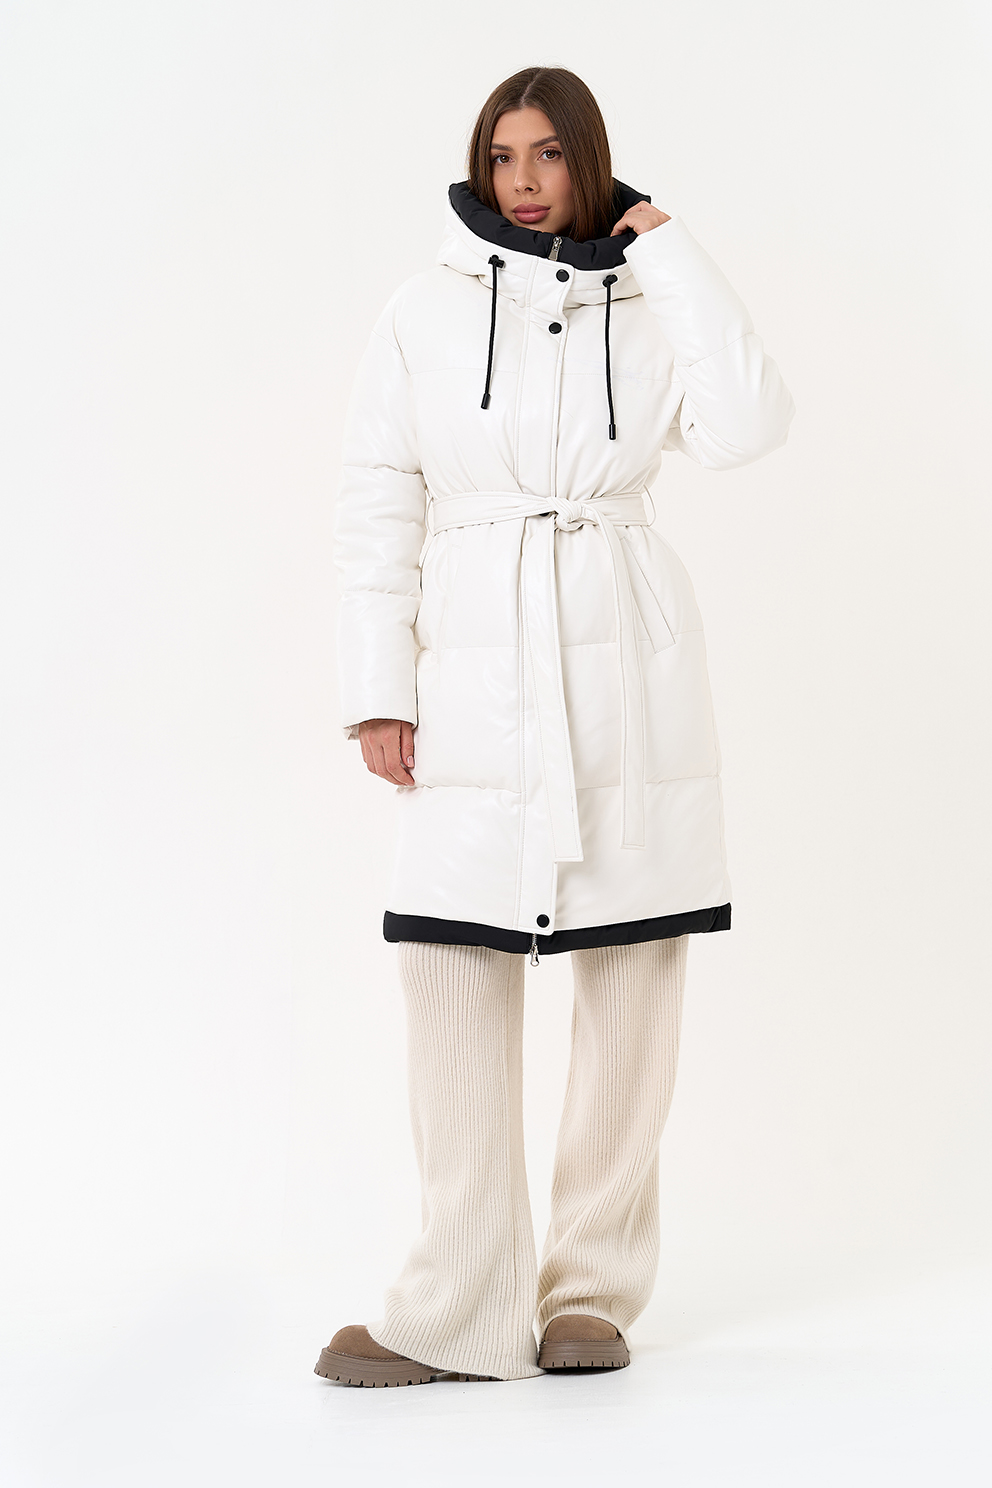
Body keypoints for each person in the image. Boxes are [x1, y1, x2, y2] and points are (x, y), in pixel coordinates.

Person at [316, 65, 795, 1387]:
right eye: (502, 155)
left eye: (549, 155)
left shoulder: (650, 301)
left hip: (626, 666)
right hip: (475, 667)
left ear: (592, 162)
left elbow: (751, 423)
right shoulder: (422, 307)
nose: (523, 180)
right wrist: (379, 688)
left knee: (632, 977)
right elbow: (376, 496)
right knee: (448, 969)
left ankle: (591, 1293)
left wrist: (672, 251)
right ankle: (456, 1304)